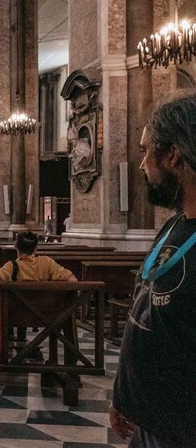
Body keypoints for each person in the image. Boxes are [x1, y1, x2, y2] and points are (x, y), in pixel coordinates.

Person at [110, 95, 196, 446]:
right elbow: (145, 313)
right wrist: (124, 394)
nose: (142, 163)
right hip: (149, 423)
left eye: (147, 151)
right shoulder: (173, 226)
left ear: (173, 154)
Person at [0, 231, 77, 283]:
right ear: (35, 249)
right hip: (47, 311)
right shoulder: (47, 262)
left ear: (15, 245)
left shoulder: (11, 267)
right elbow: (72, 280)